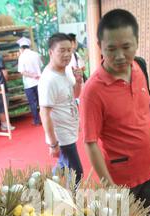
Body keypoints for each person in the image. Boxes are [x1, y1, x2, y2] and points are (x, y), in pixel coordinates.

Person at [80, 9, 150, 216]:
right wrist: (109, 186)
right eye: (111, 49)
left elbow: (145, 112)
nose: (119, 56)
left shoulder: (138, 68)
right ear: (100, 47)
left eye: (126, 47)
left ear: (136, 42)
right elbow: (90, 142)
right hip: (120, 182)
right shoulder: (93, 90)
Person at [38, 33, 83, 186]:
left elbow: (74, 95)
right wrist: (53, 144)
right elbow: (44, 114)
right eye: (62, 50)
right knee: (77, 172)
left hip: (69, 131)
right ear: (51, 52)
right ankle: (70, 201)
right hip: (61, 136)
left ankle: (43, 188)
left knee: (63, 167)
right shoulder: (48, 80)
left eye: (69, 50)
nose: (67, 54)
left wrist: (78, 82)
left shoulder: (67, 70)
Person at [17, 37, 43, 126]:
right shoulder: (36, 54)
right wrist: (36, 75)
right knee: (41, 102)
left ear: (21, 48)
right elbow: (41, 66)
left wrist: (32, 76)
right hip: (39, 82)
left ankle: (36, 121)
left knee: (33, 103)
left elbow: (22, 72)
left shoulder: (22, 57)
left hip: (29, 84)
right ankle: (44, 119)